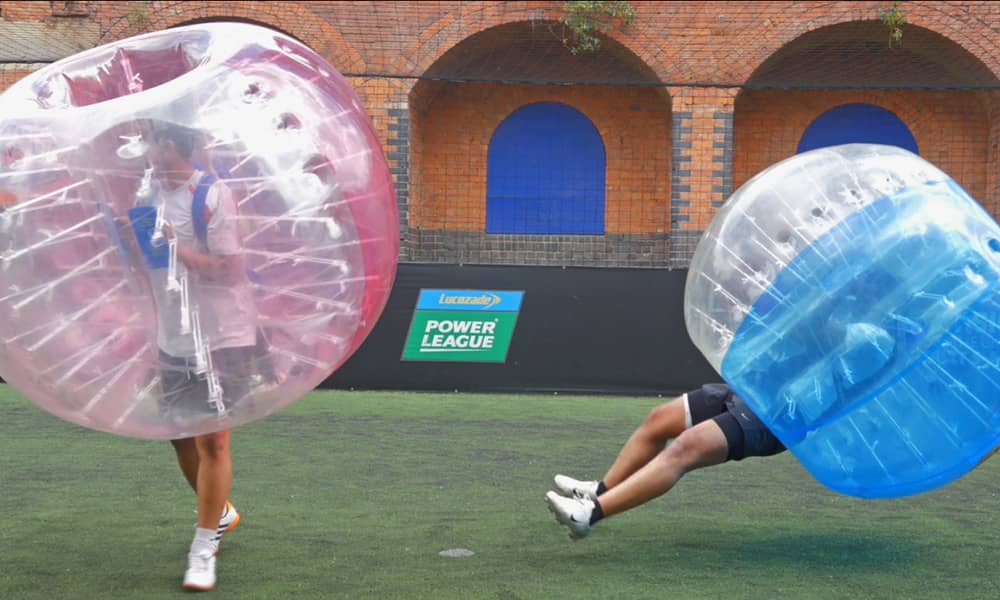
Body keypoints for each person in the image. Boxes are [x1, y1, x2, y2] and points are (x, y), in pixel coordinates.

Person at [125, 120, 258, 591]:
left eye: (148, 142)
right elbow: (149, 270)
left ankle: (203, 548)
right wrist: (130, 237)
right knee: (180, 435)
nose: (141, 151)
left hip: (222, 333)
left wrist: (173, 244)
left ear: (169, 146)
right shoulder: (147, 194)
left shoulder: (213, 196)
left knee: (213, 440)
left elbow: (229, 270)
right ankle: (221, 513)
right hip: (173, 333)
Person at [544, 383, 786, 540]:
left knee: (687, 447)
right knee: (659, 420)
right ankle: (601, 492)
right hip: (754, 383)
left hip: (785, 410)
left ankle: (588, 515)